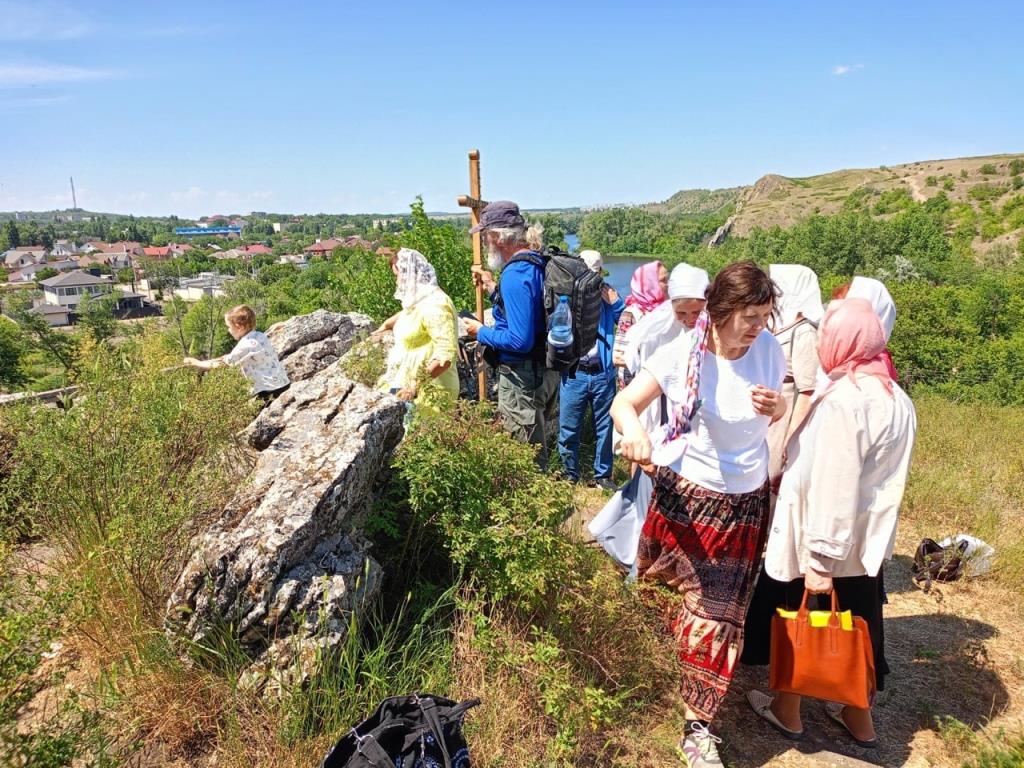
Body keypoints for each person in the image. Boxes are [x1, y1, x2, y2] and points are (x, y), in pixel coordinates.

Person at [611, 261, 786, 767]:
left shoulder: (768, 351)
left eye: (765, 315)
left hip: (742, 505)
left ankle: (698, 725)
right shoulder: (683, 353)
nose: (757, 327)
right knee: (665, 595)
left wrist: (775, 408)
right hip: (684, 498)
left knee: (716, 616)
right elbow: (624, 404)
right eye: (749, 316)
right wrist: (637, 432)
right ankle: (656, 670)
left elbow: (783, 408)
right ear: (721, 311)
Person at [744, 298, 917, 749]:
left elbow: (834, 482)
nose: (822, 344)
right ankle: (859, 717)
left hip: (824, 535)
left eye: (828, 336)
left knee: (806, 623)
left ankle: (788, 710)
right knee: (858, 624)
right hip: (865, 542)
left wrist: (820, 556)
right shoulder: (893, 395)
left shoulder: (846, 400)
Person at [462, 200, 560, 468]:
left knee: (525, 457)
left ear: (497, 236)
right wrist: (494, 290)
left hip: (522, 378)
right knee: (537, 444)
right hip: (545, 370)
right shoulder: (536, 262)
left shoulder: (516, 274)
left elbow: (519, 339)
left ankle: (536, 506)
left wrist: (481, 332)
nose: (484, 242)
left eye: (485, 236)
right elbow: (531, 312)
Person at [557, 249, 624, 490]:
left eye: (596, 275)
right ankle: (569, 475)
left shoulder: (608, 295)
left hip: (602, 373)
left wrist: (615, 303)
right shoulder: (570, 296)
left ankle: (602, 476)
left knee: (605, 427)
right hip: (575, 372)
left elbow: (627, 323)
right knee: (568, 427)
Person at [623, 262, 710, 436]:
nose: (690, 319)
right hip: (667, 413)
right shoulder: (658, 331)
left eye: (696, 312)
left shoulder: (715, 328)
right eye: (682, 313)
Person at [376, 247, 459, 407]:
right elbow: (406, 315)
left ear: (410, 274)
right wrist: (384, 325)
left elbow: (445, 356)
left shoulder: (436, 305)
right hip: (409, 385)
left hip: (432, 391)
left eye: (398, 275)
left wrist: (413, 388)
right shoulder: (420, 302)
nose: (397, 282)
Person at [765, 264, 824, 485]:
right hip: (767, 415)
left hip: (783, 418)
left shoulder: (804, 331)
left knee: (769, 481)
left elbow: (807, 390)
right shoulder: (775, 325)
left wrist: (790, 439)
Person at [183, 304, 290, 402]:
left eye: (229, 327)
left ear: (239, 327)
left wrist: (195, 363)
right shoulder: (260, 335)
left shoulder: (246, 344)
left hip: (268, 390)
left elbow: (221, 364)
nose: (228, 330)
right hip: (283, 384)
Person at [613, 261, 668, 388]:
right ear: (650, 284)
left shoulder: (666, 310)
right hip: (635, 387)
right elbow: (618, 358)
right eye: (663, 280)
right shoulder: (632, 314)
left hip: (659, 385)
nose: (668, 284)